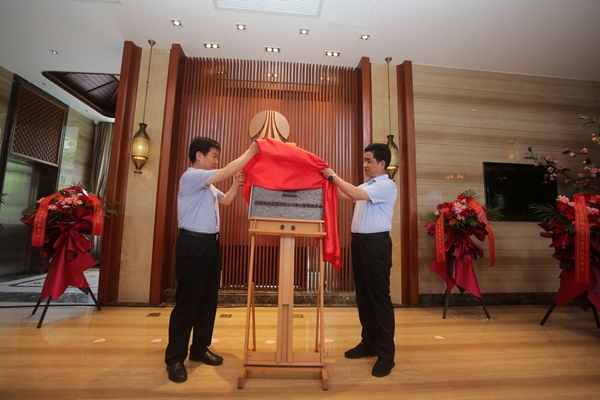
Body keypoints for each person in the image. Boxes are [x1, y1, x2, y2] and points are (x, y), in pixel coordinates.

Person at [165, 137, 259, 383]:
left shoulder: (207, 186)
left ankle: (199, 348)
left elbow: (226, 200)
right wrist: (251, 151)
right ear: (199, 155)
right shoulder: (191, 177)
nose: (217, 160)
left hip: (210, 244)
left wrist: (236, 183)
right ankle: (174, 359)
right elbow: (226, 171)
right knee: (187, 302)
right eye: (214, 156)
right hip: (193, 245)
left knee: (208, 300)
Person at [320, 142, 397, 378]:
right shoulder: (368, 185)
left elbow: (353, 193)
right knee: (363, 297)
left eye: (368, 161)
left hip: (376, 246)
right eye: (364, 160)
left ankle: (386, 355)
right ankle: (369, 343)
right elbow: (345, 194)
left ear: (382, 164)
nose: (365, 164)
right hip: (361, 245)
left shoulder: (386, 185)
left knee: (379, 300)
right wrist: (322, 182)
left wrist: (332, 176)